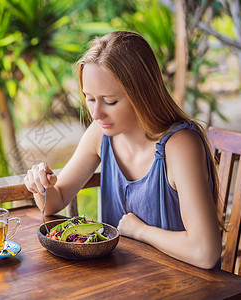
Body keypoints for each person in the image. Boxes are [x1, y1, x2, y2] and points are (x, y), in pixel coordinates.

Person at [23, 31, 222, 269]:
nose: (96, 114)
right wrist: (41, 185)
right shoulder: (100, 135)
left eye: (110, 101)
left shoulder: (179, 145)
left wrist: (140, 231)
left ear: (142, 94)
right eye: (89, 98)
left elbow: (205, 252)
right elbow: (57, 200)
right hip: (124, 281)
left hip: (181, 285)